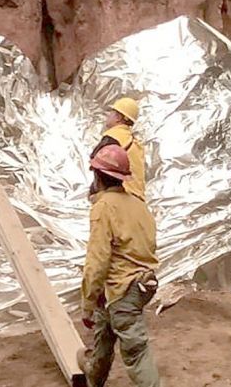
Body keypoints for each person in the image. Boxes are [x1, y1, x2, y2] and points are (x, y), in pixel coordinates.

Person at [78, 145, 161, 387]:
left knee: (136, 351)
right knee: (104, 331)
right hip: (141, 283)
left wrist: (87, 303)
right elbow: (148, 245)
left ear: (97, 176)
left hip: (124, 288)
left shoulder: (104, 208)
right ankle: (93, 375)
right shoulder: (138, 205)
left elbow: (97, 260)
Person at [90, 98, 146, 202]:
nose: (108, 115)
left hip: (122, 194)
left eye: (112, 112)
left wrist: (93, 192)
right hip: (138, 198)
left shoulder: (113, 136)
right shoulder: (135, 142)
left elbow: (96, 162)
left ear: (118, 117)